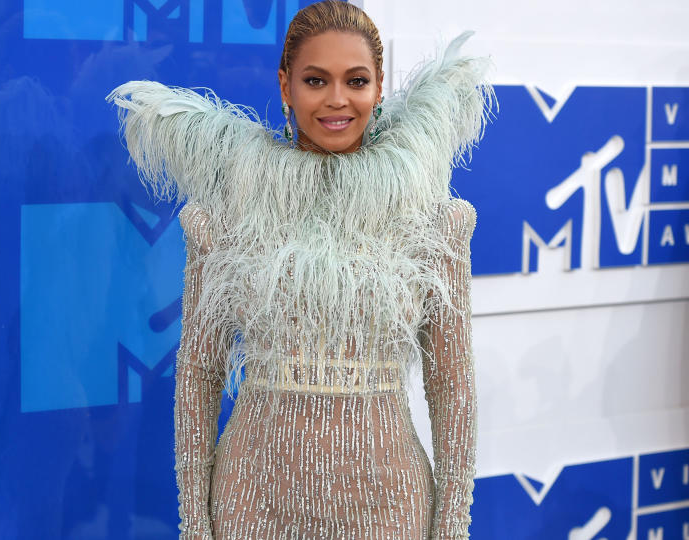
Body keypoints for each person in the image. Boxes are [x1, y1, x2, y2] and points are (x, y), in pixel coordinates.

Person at [107, 1, 496, 538]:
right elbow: (199, 373)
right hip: (254, 505)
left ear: (379, 87)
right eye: (316, 80)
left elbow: (451, 383)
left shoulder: (433, 222)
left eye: (355, 80)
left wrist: (453, 524)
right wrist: (195, 521)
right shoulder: (229, 215)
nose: (337, 99)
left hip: (388, 508)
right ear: (285, 85)